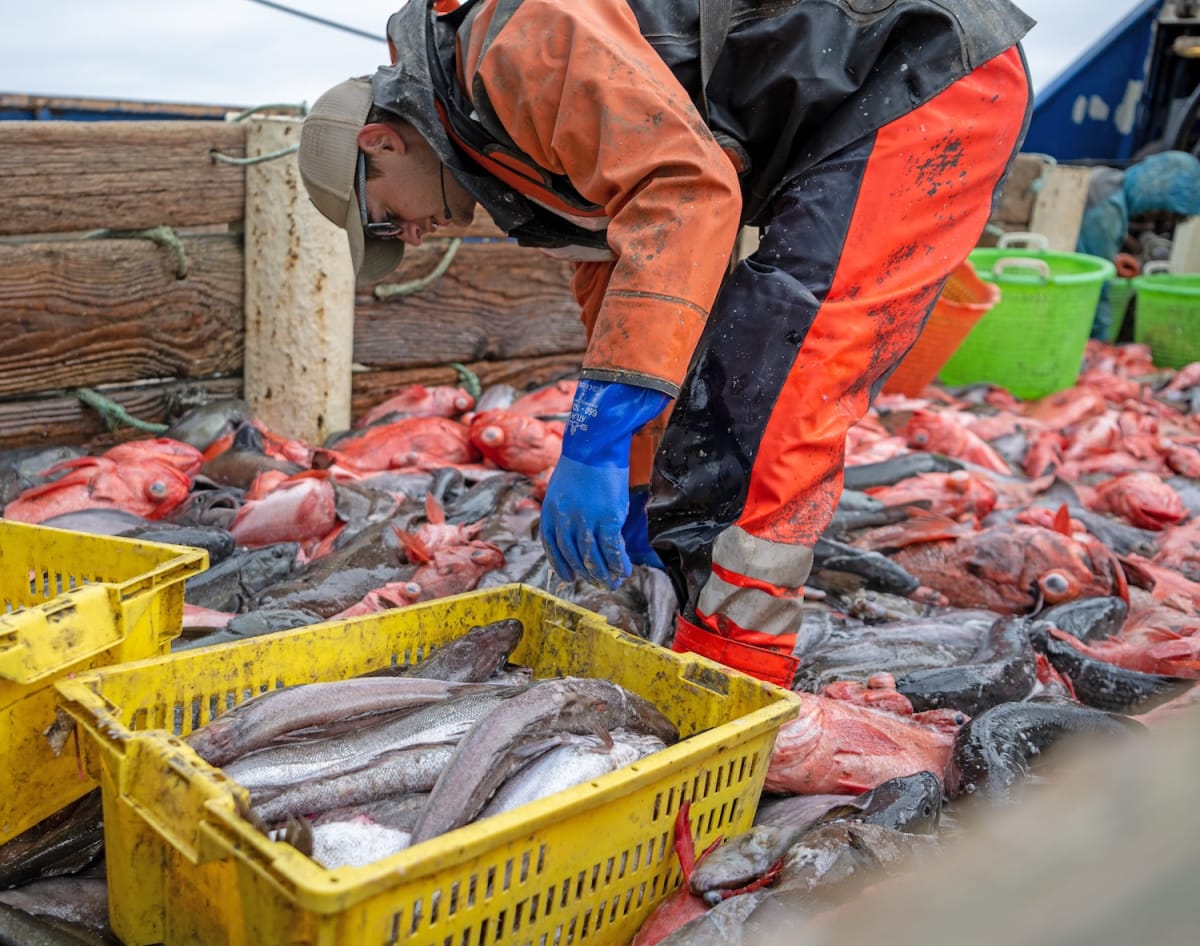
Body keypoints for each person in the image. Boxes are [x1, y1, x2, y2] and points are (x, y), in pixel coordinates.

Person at [297, 0, 1035, 684]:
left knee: (777, 391)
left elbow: (686, 192)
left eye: (387, 219)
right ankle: (700, 625)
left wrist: (592, 441)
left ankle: (734, 675)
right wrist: (642, 481)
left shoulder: (514, 46)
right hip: (847, 114)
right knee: (735, 389)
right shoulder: (490, 139)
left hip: (920, 81)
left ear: (380, 142)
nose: (412, 236)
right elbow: (622, 284)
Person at [1075, 150, 1200, 341]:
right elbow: (1100, 283)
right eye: (1164, 213)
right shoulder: (1109, 211)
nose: (1156, 219)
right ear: (1156, 193)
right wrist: (1101, 341)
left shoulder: (1108, 179)